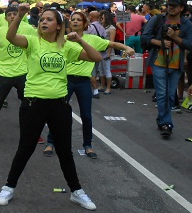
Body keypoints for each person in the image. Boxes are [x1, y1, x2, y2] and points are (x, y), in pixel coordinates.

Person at [0, 5, 101, 210]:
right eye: (42, 19)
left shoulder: (67, 47)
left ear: (59, 25)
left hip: (60, 105)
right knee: (25, 148)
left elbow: (96, 57)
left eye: (49, 19)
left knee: (64, 151)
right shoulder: (32, 42)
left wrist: (79, 40)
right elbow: (10, 37)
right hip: (33, 104)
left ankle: (76, 191)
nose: (44, 22)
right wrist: (20, 15)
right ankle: (9, 186)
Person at [44, 11, 134, 159]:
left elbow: (112, 43)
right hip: (65, 81)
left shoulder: (92, 39)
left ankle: (88, 145)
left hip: (84, 82)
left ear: (85, 24)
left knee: (86, 115)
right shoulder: (64, 40)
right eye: (72, 19)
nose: (75, 22)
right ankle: (51, 142)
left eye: (79, 20)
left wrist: (127, 48)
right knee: (58, 113)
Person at [141, 0, 192, 138]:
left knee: (171, 96)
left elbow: (190, 44)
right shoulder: (158, 19)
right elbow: (145, 37)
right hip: (159, 62)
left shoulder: (187, 24)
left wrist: (175, 37)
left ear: (181, 8)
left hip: (176, 65)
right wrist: (160, 43)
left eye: (174, 6)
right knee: (162, 94)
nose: (170, 8)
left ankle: (161, 119)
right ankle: (166, 123)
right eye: (169, 5)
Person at [0, 6, 35, 143]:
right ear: (5, 18)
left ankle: (32, 132)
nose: (12, 16)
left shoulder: (28, 29)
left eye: (15, 14)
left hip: (23, 73)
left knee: (28, 104)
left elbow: (37, 45)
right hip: (4, 73)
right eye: (9, 14)